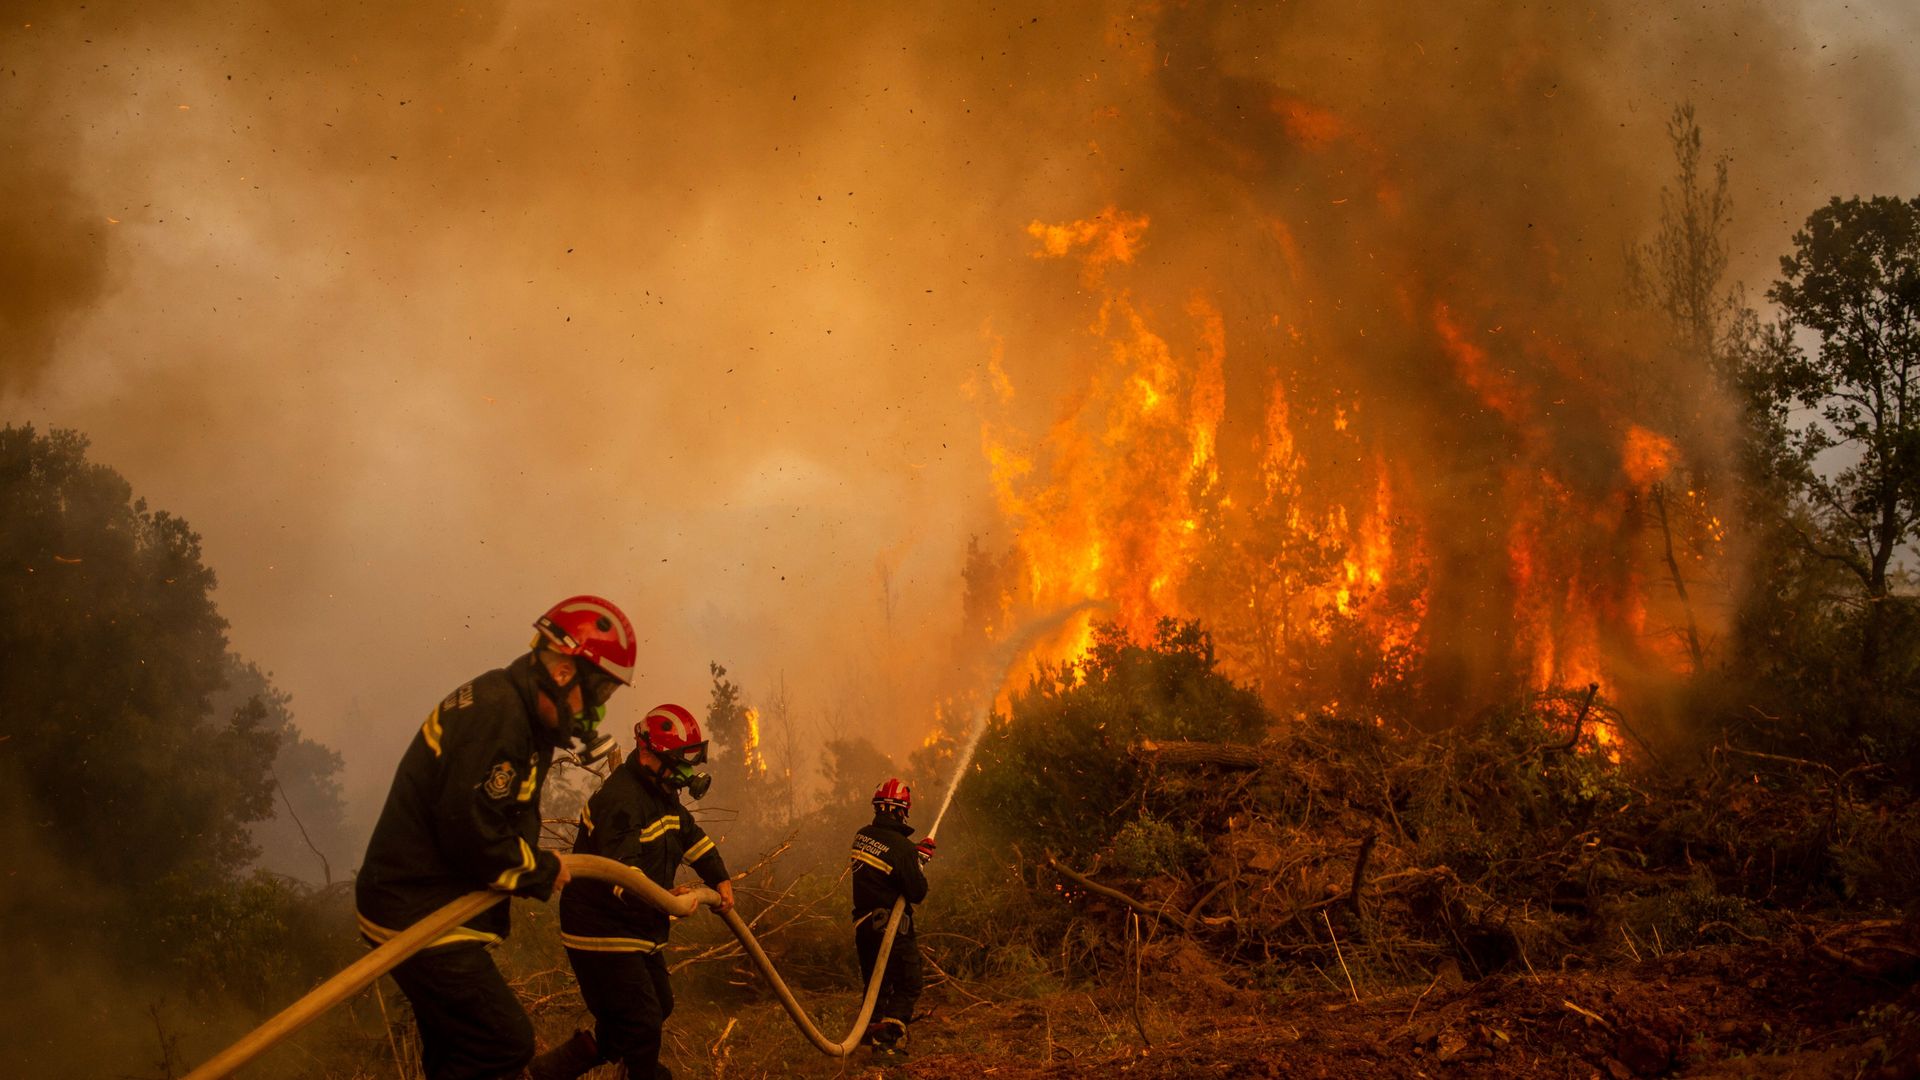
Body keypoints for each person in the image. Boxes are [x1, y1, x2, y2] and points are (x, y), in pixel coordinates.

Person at [355, 595, 637, 1080]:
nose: (593, 716)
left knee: (457, 1051)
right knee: (502, 1041)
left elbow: (491, 814)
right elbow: (471, 833)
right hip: (418, 910)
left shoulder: (518, 710)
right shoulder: (501, 716)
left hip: (417, 900)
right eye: (599, 696)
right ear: (565, 673)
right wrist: (541, 870)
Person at [530, 703, 736, 1080]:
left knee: (659, 1005)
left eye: (688, 761)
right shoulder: (621, 799)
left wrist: (718, 878)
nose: (683, 773)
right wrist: (667, 899)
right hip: (600, 929)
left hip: (636, 926)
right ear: (647, 752)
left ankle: (552, 1070)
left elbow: (690, 837)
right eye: (677, 760)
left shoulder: (662, 792)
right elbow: (623, 875)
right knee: (641, 1021)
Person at [849, 778, 935, 1058]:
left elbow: (885, 873)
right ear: (901, 811)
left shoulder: (862, 835)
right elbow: (917, 892)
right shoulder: (901, 848)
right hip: (892, 928)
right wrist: (916, 862)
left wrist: (914, 857)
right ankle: (886, 1042)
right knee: (909, 983)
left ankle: (868, 1039)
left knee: (878, 985)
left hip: (864, 927)